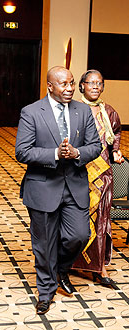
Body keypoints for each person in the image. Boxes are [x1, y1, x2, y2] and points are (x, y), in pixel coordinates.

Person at [15, 66, 102, 315]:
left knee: (79, 236)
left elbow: (95, 146)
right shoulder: (31, 112)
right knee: (43, 244)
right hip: (43, 186)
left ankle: (61, 269)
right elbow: (22, 151)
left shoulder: (83, 110)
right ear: (50, 86)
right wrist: (54, 153)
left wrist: (77, 153)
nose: (70, 88)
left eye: (72, 83)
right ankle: (45, 292)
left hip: (75, 184)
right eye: (63, 84)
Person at [72, 69, 124, 286]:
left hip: (102, 175)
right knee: (76, 218)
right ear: (82, 85)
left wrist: (116, 150)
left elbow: (117, 132)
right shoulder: (73, 109)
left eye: (99, 83)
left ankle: (99, 268)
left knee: (101, 220)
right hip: (79, 172)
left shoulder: (109, 111)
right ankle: (72, 262)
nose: (95, 86)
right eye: (90, 82)